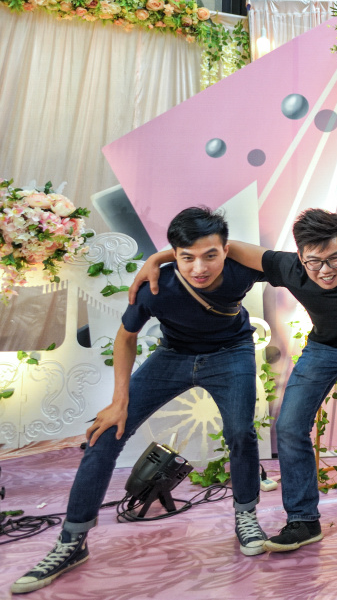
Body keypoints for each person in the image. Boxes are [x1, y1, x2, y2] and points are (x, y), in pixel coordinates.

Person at [129, 208, 337, 552]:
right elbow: (230, 248)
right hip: (323, 349)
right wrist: (159, 257)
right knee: (288, 426)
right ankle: (303, 521)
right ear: (300, 257)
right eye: (314, 261)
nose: (325, 270)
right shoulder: (288, 267)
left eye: (334, 259)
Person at [11, 208, 268, 594]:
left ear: (226, 251)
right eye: (187, 257)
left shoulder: (239, 271)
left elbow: (287, 262)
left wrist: (159, 255)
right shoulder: (157, 287)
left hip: (231, 353)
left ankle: (246, 516)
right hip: (173, 356)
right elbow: (125, 337)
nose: (199, 268)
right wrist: (119, 401)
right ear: (176, 254)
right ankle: (71, 542)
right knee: (105, 434)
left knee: (241, 433)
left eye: (210, 255)